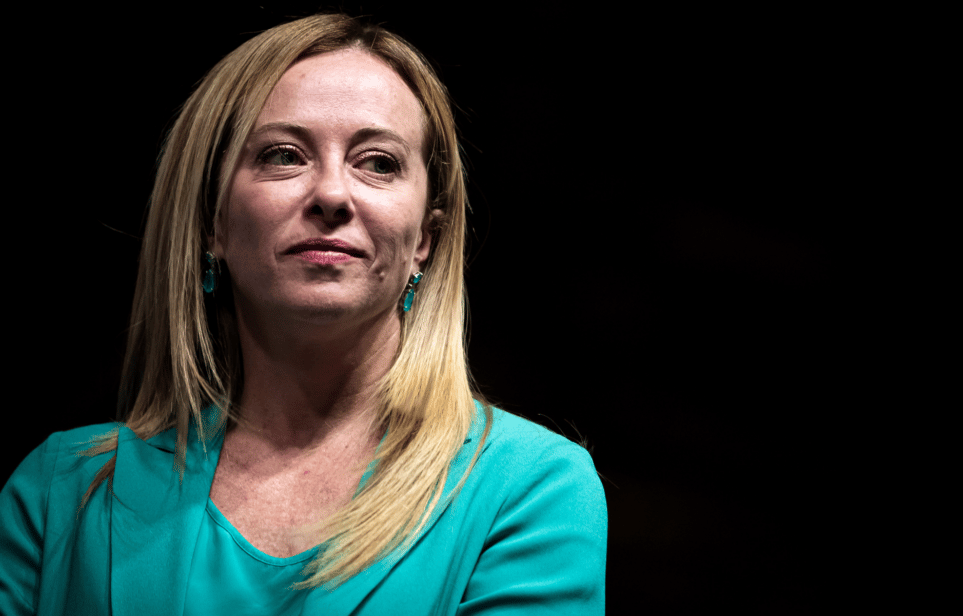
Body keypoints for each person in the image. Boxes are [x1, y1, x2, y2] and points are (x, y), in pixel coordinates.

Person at [0, 12, 606, 615]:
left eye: (378, 162)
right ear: (212, 221)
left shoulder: (532, 492)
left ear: (426, 238)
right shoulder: (60, 494)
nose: (334, 196)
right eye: (285, 155)